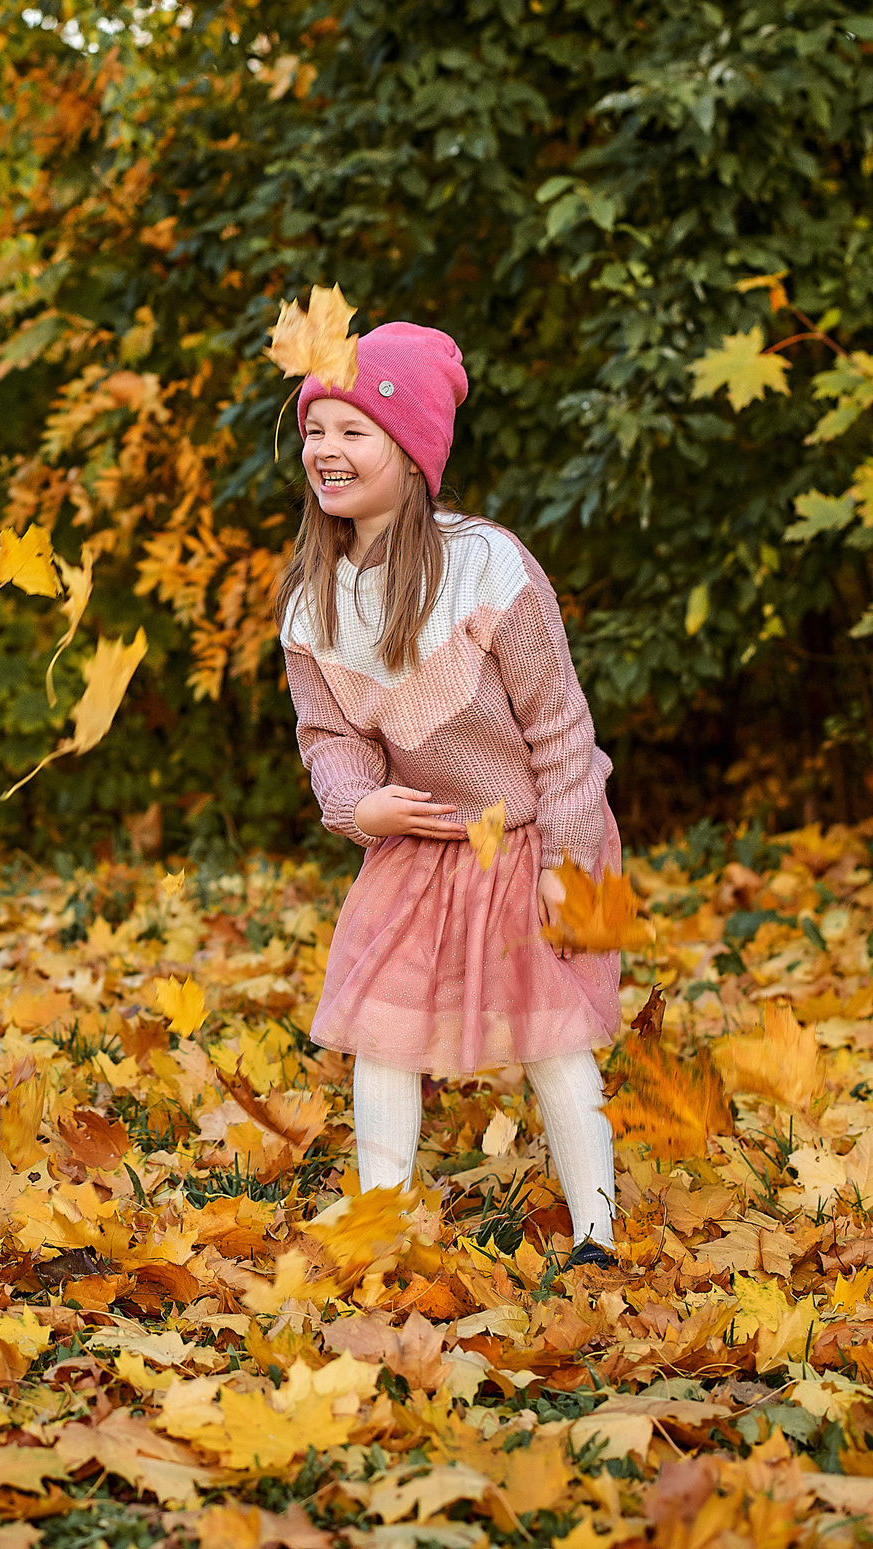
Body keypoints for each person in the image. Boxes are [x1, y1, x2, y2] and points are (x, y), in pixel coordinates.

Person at [277, 322, 624, 1266]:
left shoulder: (489, 565)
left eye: (355, 430)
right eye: (317, 430)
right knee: (381, 1032)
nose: (327, 451)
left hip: (527, 836)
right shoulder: (313, 598)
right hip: (416, 848)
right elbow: (329, 736)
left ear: (413, 448)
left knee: (554, 1037)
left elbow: (561, 731)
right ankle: (377, 1222)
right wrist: (360, 808)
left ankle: (595, 1227)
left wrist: (565, 863)